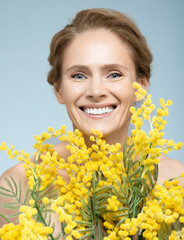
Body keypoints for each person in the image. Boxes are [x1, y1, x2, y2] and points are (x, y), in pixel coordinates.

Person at [0, 8, 184, 237]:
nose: (96, 91)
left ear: (141, 86)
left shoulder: (175, 183)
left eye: (114, 74)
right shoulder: (20, 184)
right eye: (79, 75)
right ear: (58, 89)